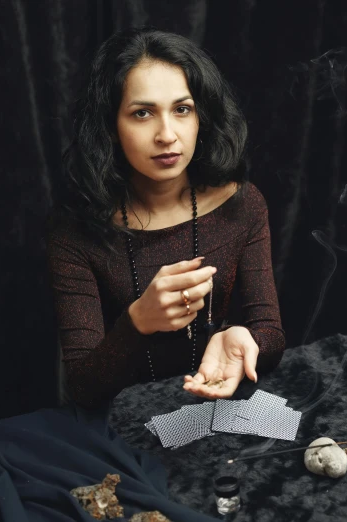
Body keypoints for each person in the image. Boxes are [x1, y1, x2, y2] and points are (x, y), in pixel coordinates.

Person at [46, 27, 284, 408]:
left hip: (217, 408)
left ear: (200, 117)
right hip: (123, 427)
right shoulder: (74, 231)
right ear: (110, 127)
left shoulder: (242, 205)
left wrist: (243, 338)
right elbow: (81, 388)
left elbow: (270, 333)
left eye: (182, 109)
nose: (167, 135)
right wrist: (138, 320)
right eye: (142, 113)